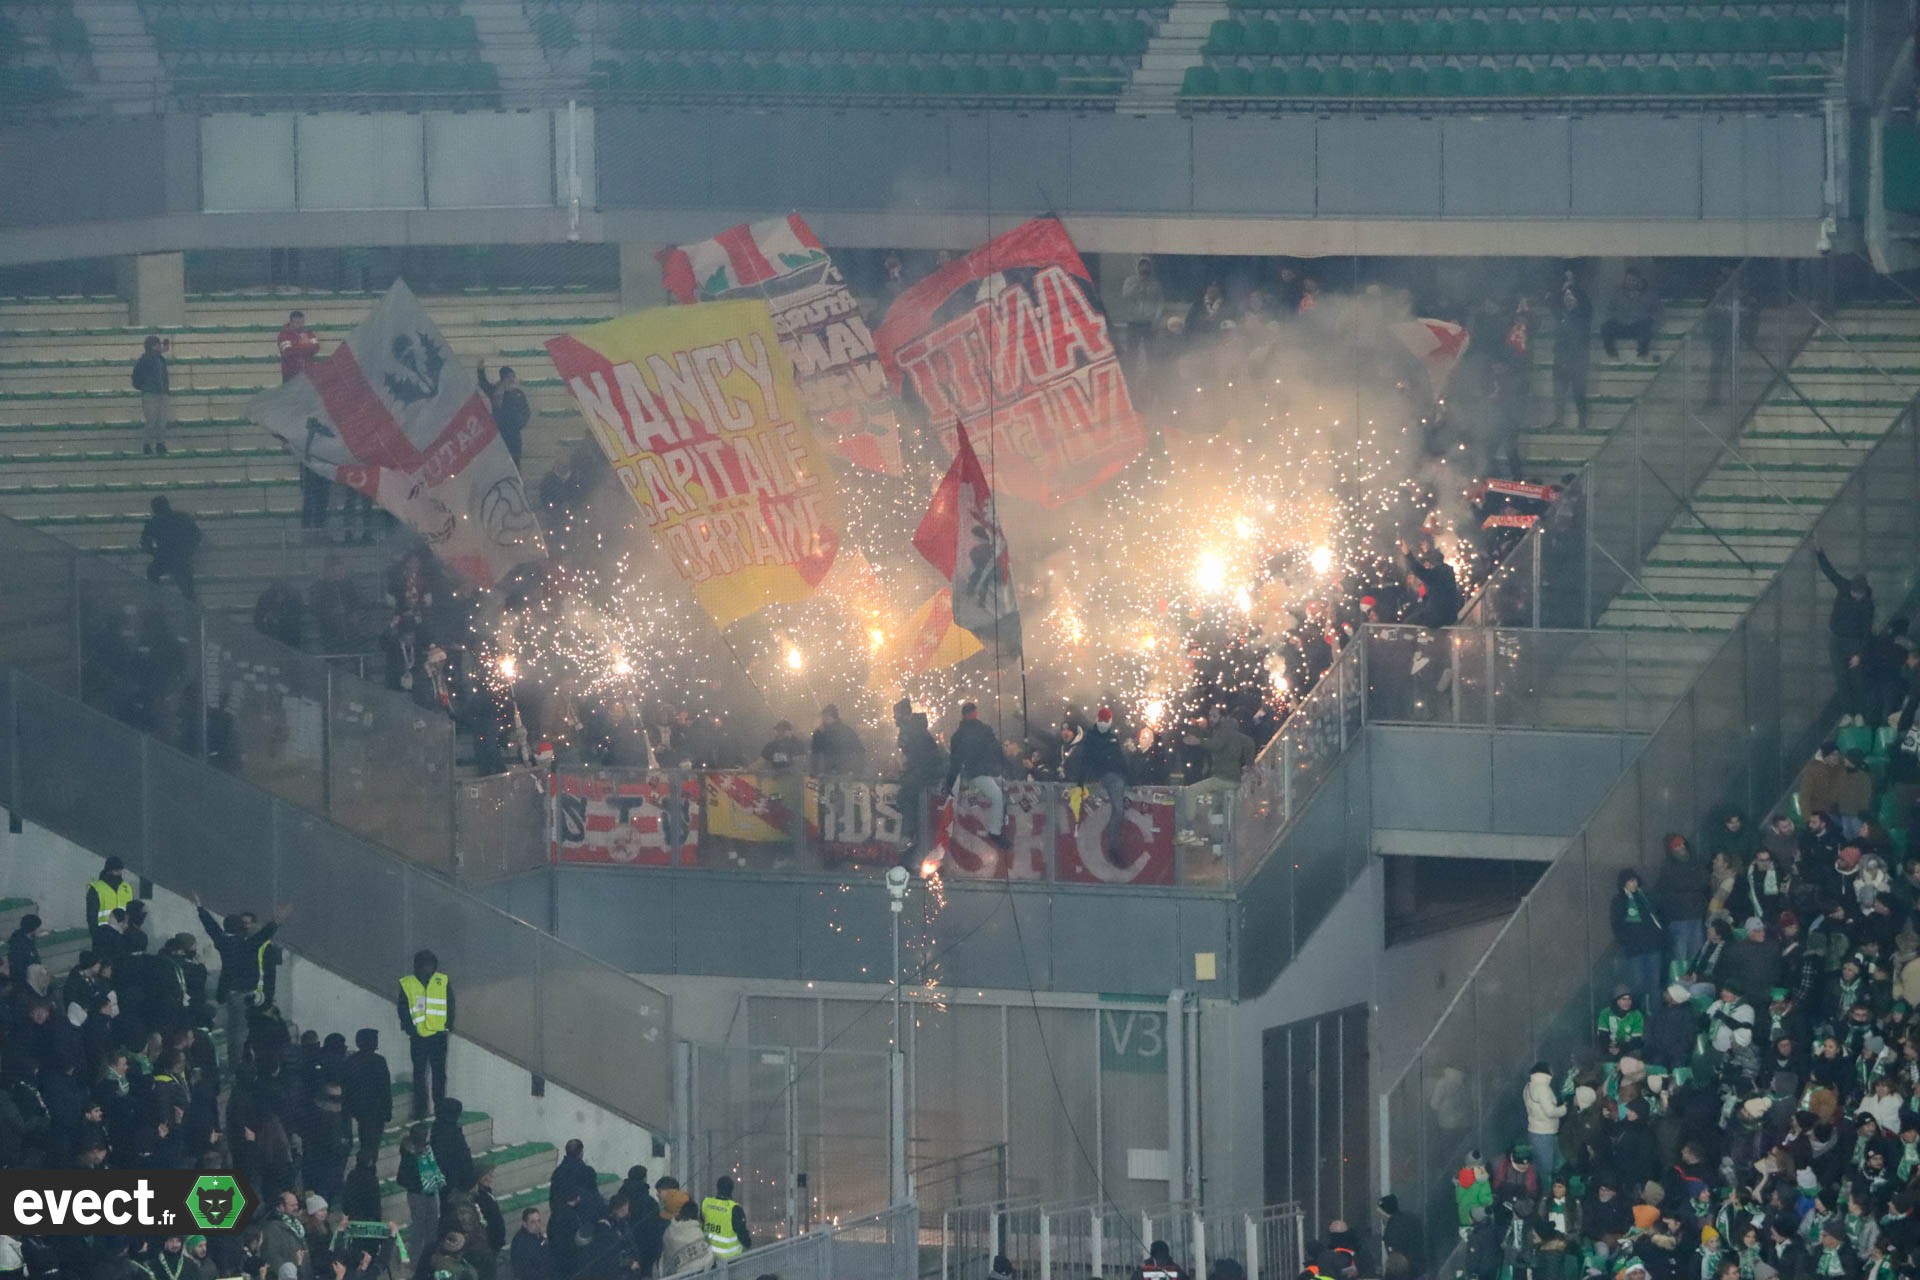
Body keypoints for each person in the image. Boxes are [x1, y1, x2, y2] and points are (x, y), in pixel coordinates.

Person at [194, 892, 288, 1078]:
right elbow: (265, 933)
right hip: (246, 994)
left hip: (228, 992)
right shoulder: (248, 944)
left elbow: (211, 927)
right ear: (241, 929)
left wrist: (200, 908)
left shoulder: (223, 942)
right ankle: (238, 1068)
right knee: (240, 1033)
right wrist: (277, 920)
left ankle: (235, 1064)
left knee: (232, 1031)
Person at [1816, 544, 1876, 707]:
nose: (1857, 597)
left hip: (1854, 642)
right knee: (1840, 677)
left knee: (1856, 678)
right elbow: (1830, 572)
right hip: (1836, 638)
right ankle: (1848, 712)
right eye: (1855, 594)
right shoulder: (1844, 587)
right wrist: (1820, 554)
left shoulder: (1868, 605)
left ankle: (1860, 712)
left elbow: (1866, 631)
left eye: (1860, 595)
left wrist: (1859, 654)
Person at [397, 950, 452, 1121]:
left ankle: (439, 1107)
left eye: (431, 965)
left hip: (438, 1035)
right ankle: (421, 1109)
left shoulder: (442, 981)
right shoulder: (408, 984)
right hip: (418, 1037)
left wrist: (447, 1026)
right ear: (417, 966)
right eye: (425, 966)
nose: (428, 969)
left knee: (439, 1074)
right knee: (419, 1075)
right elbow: (403, 1008)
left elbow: (450, 1005)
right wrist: (410, 1029)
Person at [945, 702, 1008, 847]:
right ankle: (995, 831)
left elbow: (955, 761)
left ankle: (998, 824)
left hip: (982, 772)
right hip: (979, 773)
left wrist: (950, 781)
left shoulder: (960, 735)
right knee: (997, 796)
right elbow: (996, 750)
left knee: (999, 794)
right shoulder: (982, 731)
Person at [893, 698, 944, 865]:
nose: (895, 718)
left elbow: (917, 755)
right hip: (926, 770)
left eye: (896, 714)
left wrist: (907, 769)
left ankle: (908, 834)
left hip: (923, 772)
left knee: (904, 795)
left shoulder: (910, 731)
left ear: (904, 713)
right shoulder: (918, 728)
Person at [1610, 869, 1665, 1005]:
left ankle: (1655, 1015)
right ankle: (1640, 1015)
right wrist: (1626, 942)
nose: (1634, 884)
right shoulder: (1619, 901)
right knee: (1638, 985)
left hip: (1652, 946)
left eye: (1635, 880)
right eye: (1630, 881)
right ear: (1624, 883)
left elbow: (1656, 915)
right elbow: (1617, 924)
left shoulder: (1645, 897)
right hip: (1634, 949)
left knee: (1654, 984)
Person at [1548, 271, 1593, 431]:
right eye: (1566, 298)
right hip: (1560, 359)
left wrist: (1572, 285)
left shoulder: (1584, 314)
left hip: (1578, 361)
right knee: (1559, 393)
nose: (1568, 300)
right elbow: (1552, 303)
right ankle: (1558, 419)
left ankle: (1582, 421)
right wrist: (1563, 289)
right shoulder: (1561, 315)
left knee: (1578, 392)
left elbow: (1587, 303)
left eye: (1571, 297)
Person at [341, 1028, 391, 1164]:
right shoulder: (379, 1061)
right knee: (373, 1144)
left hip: (359, 1108)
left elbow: (346, 1086)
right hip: (375, 1109)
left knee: (365, 1141)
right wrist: (387, 1111)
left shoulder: (351, 1061)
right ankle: (369, 1167)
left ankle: (364, 1165)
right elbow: (385, 1088)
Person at [141, 496, 202, 600]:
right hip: (181, 558)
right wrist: (189, 550)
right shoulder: (182, 517)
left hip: (164, 558)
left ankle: (157, 602)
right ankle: (192, 611)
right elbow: (197, 535)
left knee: (152, 573)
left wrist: (154, 553)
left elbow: (145, 542)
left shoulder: (154, 522)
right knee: (188, 591)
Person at [477, 363, 530, 466]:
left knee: (515, 462)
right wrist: (480, 370)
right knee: (500, 462)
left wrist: (519, 424)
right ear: (503, 378)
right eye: (509, 377)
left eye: (513, 376)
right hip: (499, 433)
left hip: (514, 434)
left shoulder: (518, 393)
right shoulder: (496, 391)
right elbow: (483, 384)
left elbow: (526, 411)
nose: (512, 379)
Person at [1600, 268, 1659, 360]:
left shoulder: (1648, 295)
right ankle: (1612, 354)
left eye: (1633, 280)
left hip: (1638, 327)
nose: (1630, 283)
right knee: (1605, 327)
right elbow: (1609, 310)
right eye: (1628, 280)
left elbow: (1656, 313)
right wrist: (1617, 316)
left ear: (1638, 281)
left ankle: (1642, 355)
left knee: (1646, 324)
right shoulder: (1618, 293)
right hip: (1621, 326)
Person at [85, 856, 134, 954]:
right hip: (103, 938)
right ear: (108, 871)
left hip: (122, 936)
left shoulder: (126, 887)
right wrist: (96, 936)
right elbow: (91, 916)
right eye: (116, 871)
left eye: (120, 870)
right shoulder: (96, 888)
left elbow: (130, 912)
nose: (119, 873)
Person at [132, 334, 172, 455]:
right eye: (157, 344)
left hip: (161, 393)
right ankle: (148, 444)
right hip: (151, 393)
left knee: (161, 421)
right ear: (153, 346)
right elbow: (136, 378)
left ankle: (159, 443)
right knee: (152, 420)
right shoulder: (147, 359)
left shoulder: (158, 359)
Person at [659, 1198, 713, 1277]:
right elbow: (708, 1258)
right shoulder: (697, 1232)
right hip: (699, 1275)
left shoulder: (669, 1232)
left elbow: (667, 1258)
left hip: (678, 1275)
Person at [701, 1176, 750, 1262]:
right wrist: (748, 1244)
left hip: (708, 1257)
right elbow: (742, 1233)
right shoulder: (734, 1209)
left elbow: (701, 1224)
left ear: (718, 1187)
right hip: (729, 1260)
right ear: (732, 1189)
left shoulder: (706, 1203)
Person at [809, 704, 867, 777]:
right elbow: (859, 751)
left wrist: (814, 773)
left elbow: (815, 755)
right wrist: (856, 771)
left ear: (829, 717)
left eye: (825, 716)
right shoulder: (846, 731)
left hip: (830, 773)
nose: (823, 719)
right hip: (842, 772)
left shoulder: (820, 733)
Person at [510, 1208, 549, 1280]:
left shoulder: (534, 1234)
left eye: (538, 1221)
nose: (537, 1225)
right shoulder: (522, 1243)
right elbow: (526, 1271)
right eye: (533, 1222)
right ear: (525, 1224)